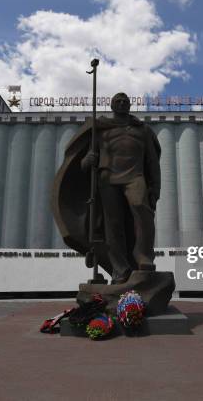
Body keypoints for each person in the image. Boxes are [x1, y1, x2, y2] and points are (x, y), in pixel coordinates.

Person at [51, 92, 161, 284]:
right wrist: (88, 160)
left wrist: (155, 188)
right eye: (117, 101)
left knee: (142, 211)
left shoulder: (142, 130)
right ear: (111, 106)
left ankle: (143, 256)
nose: (121, 103)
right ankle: (120, 269)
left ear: (130, 105)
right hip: (107, 178)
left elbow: (152, 162)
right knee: (113, 225)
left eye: (125, 101)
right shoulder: (100, 129)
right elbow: (84, 163)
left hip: (135, 177)